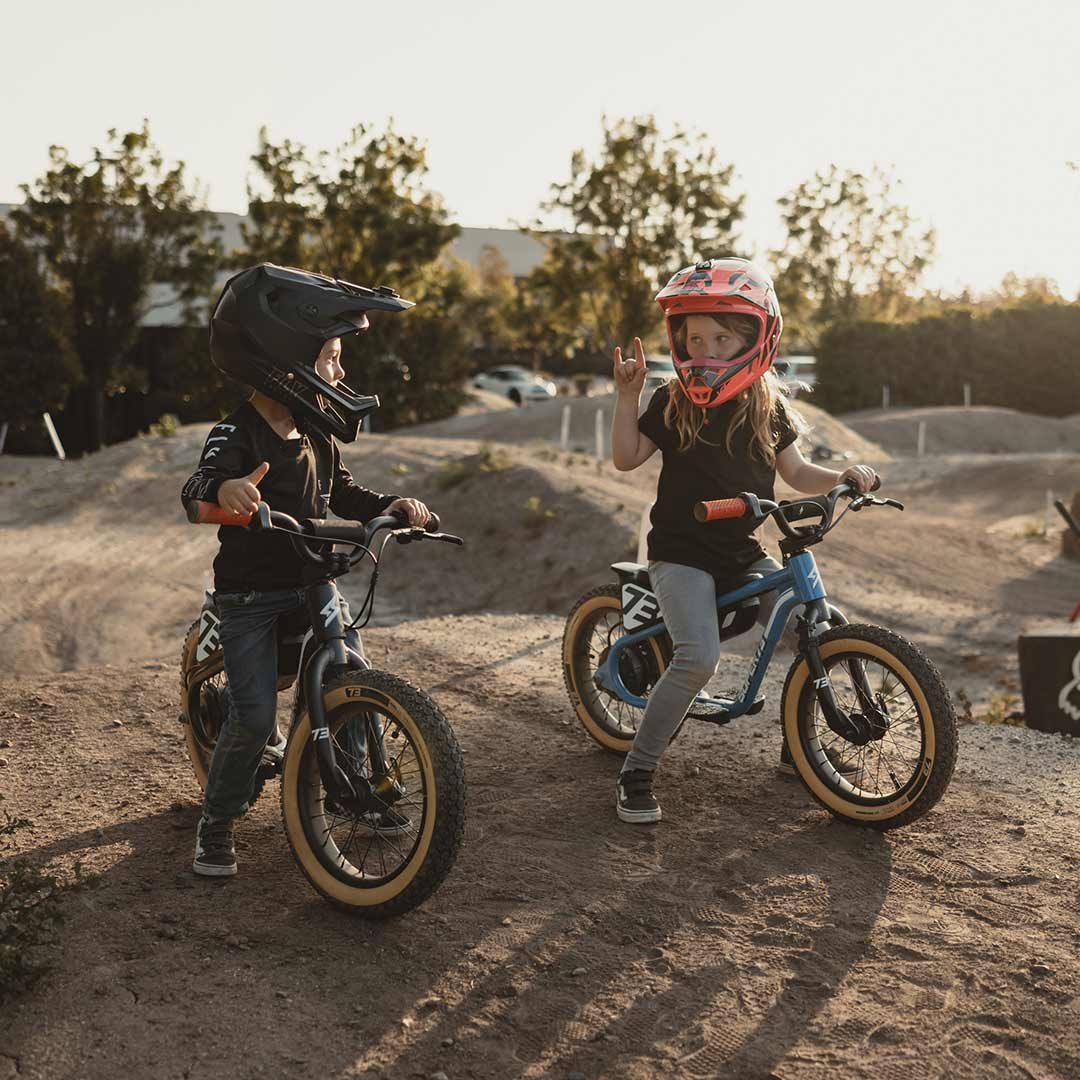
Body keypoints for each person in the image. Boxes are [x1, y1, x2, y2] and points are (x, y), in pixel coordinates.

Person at [181, 263, 433, 876]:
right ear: (285, 356)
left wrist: (390, 508)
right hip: (250, 595)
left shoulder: (317, 431)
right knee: (253, 716)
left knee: (349, 667)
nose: (342, 372)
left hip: (313, 578)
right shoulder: (235, 430)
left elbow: (342, 492)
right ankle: (216, 823)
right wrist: (232, 489)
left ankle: (360, 785)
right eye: (331, 358)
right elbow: (197, 493)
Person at [610, 257, 878, 824]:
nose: (705, 350)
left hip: (742, 554)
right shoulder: (672, 400)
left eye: (721, 338)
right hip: (681, 556)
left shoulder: (769, 407)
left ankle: (798, 750)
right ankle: (637, 769)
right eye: (694, 338)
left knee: (818, 621)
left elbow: (799, 475)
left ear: (755, 339)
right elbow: (626, 458)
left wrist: (845, 477)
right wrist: (627, 395)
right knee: (698, 658)